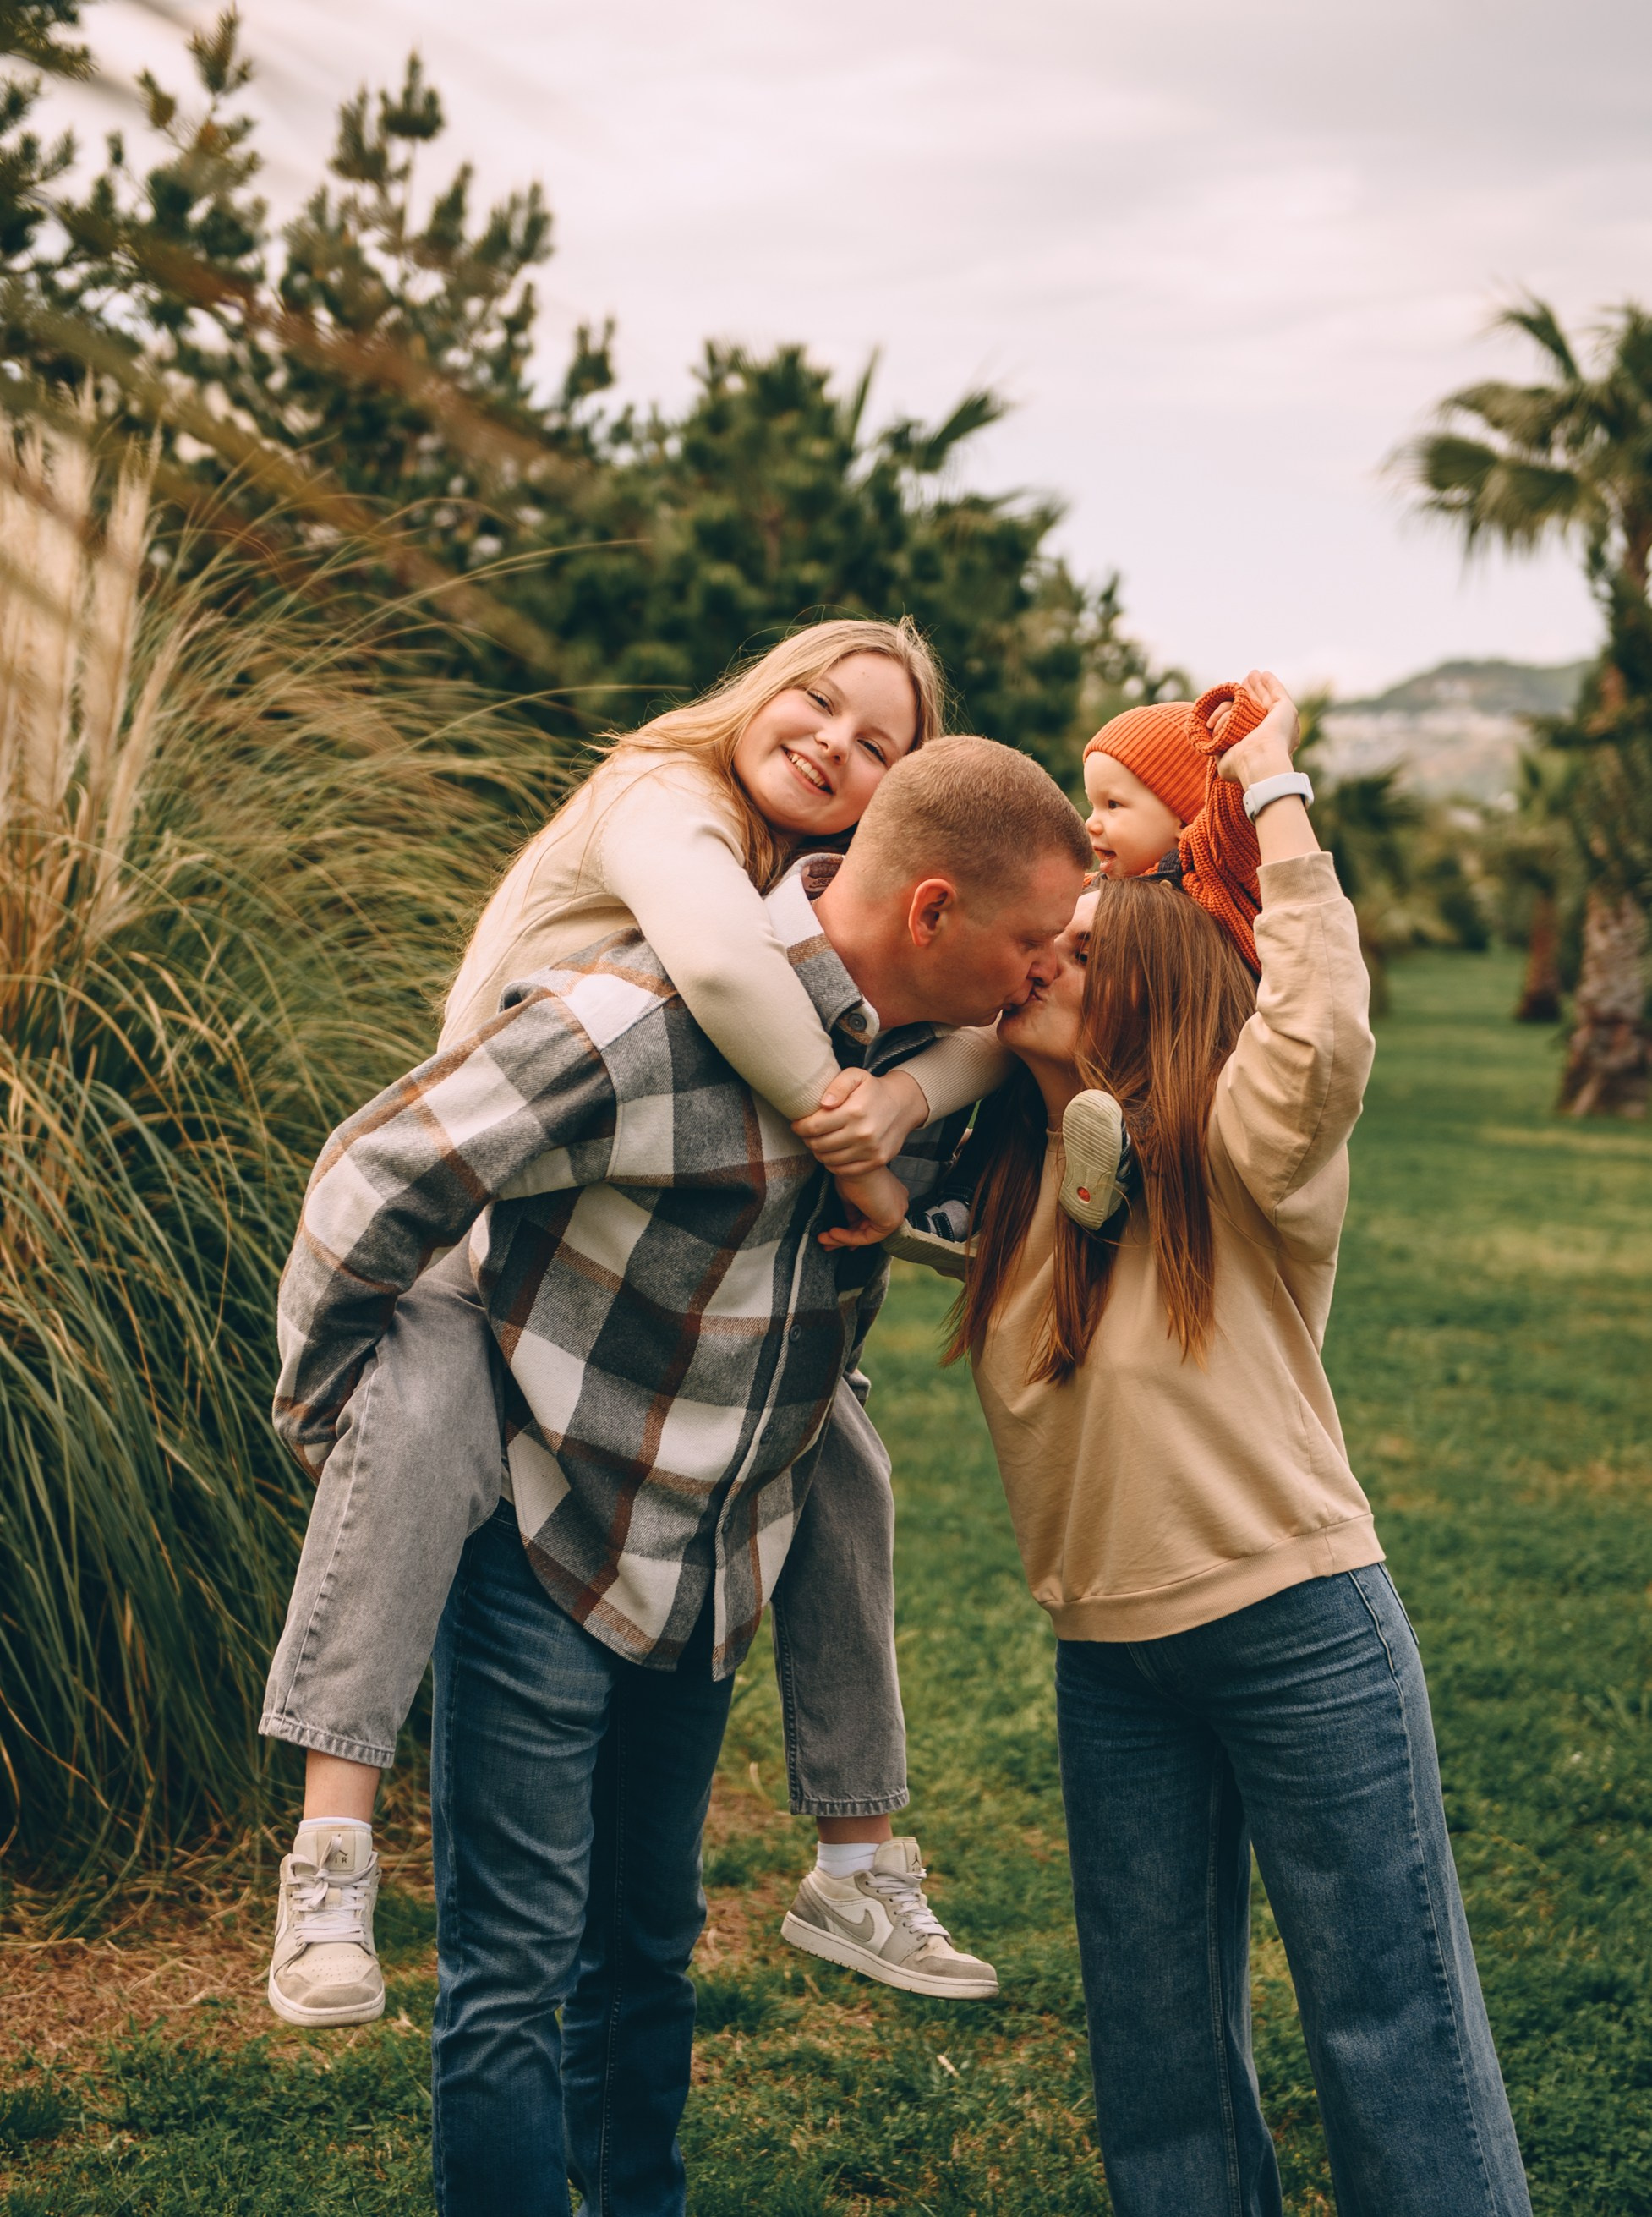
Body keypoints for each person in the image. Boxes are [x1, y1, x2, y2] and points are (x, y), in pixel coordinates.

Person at [271, 733, 1092, 2217]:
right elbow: (373, 1180)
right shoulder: (639, 1020)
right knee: (514, 1969)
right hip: (547, 1540)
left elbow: (982, 1192)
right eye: (1030, 941)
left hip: (716, 1563)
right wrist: (351, 1428)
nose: (1039, 971)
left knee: (644, 1946)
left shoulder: (925, 1064)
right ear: (931, 915)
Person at [949, 671, 1532, 2215]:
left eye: (1072, 956)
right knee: (1156, 2058)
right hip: (1112, 1659)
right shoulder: (1007, 1184)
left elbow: (1315, 1024)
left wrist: (1271, 796)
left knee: (1383, 2018)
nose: (1036, 970)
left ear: (1142, 984)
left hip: (1295, 1626)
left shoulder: (1236, 1151)